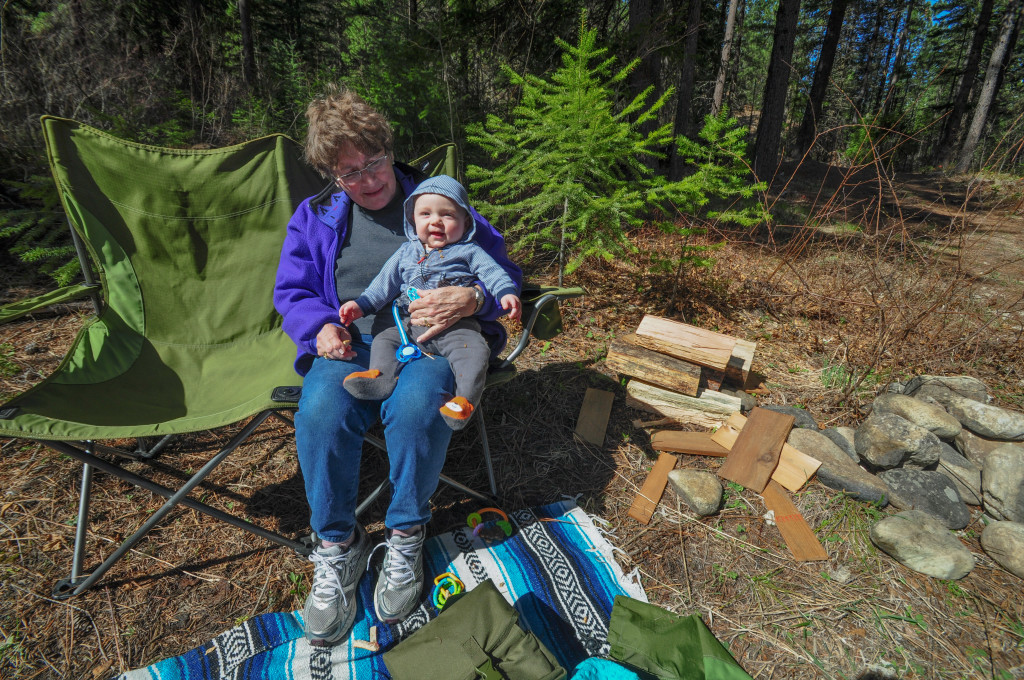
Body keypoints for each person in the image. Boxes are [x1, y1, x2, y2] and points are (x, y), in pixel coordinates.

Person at [273, 85, 521, 646]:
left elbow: (500, 265)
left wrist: (475, 300)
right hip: (355, 343)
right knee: (318, 411)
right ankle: (338, 545)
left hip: (433, 340)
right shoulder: (314, 218)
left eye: (375, 161)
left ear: (390, 149)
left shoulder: (437, 200)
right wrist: (321, 327)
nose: (367, 179)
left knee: (416, 409)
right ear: (332, 176)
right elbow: (292, 291)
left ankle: (406, 532)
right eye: (349, 172)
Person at [338, 174, 522, 430]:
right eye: (425, 214)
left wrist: (505, 293)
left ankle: (463, 401)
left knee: (475, 352)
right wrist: (361, 305)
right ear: (412, 219)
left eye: (447, 215)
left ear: (465, 221)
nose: (435, 221)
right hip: (406, 322)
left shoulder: (470, 251)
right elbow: (384, 283)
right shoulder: (406, 252)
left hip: (455, 326)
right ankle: (379, 377)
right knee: (383, 339)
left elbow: (494, 273)